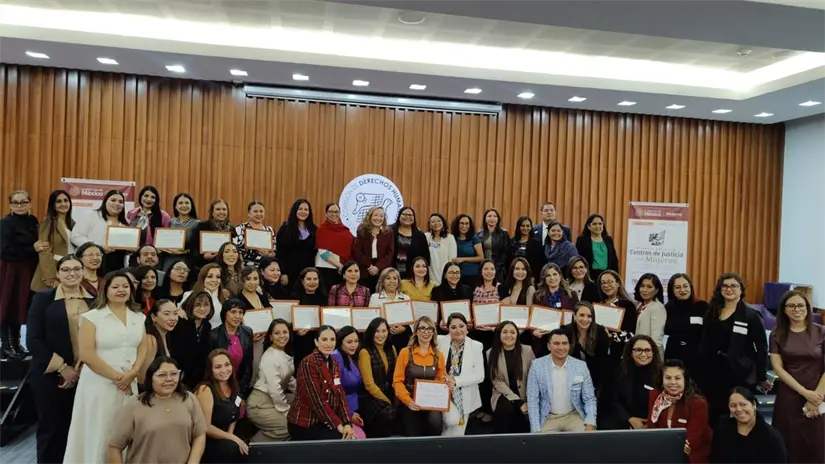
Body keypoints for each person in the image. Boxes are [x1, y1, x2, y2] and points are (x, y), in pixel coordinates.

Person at [63, 270, 149, 464]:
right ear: (106, 290)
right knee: (100, 429)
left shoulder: (138, 316)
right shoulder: (92, 317)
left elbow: (142, 347)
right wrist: (118, 377)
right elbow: (86, 354)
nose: (121, 290)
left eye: (125, 286)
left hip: (129, 381)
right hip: (99, 383)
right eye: (116, 286)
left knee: (125, 429)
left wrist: (133, 372)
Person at [26, 255, 93, 464]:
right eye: (65, 269)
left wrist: (81, 368)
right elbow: (33, 339)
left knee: (82, 429)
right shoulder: (43, 298)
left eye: (76, 269)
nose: (72, 273)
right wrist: (63, 368)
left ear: (83, 271)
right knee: (51, 430)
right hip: (50, 375)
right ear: (57, 273)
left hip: (88, 374)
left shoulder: (94, 299)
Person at [107, 357, 206, 464]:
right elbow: (114, 447)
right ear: (151, 378)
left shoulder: (188, 399)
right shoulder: (136, 405)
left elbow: (199, 434)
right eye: (162, 375)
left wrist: (193, 461)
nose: (169, 379)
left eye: (174, 374)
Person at [698, 273, 767, 427]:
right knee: (714, 412)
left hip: (738, 371)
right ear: (720, 289)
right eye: (725, 286)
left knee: (737, 412)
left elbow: (761, 347)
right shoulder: (713, 311)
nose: (729, 289)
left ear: (741, 289)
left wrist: (760, 375)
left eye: (734, 286)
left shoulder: (750, 315)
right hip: (713, 371)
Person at [769, 290, 825, 464]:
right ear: (784, 310)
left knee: (816, 443)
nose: (796, 309)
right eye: (791, 305)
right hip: (789, 396)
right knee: (789, 443)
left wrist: (816, 396)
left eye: (801, 305)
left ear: (808, 309)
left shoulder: (822, 332)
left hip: (819, 393)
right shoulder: (777, 334)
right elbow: (778, 368)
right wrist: (805, 393)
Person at [288, 325, 354, 440]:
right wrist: (338, 425)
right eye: (324, 339)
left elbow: (340, 394)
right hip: (306, 423)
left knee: (349, 436)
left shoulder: (334, 362)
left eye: (332, 340)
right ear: (316, 342)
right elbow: (316, 400)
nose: (329, 344)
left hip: (324, 420)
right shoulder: (308, 363)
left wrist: (347, 423)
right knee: (340, 439)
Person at [526, 329, 597, 433]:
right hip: (548, 418)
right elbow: (533, 400)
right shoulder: (537, 366)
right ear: (549, 346)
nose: (561, 347)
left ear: (569, 346)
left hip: (573, 415)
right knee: (541, 447)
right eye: (556, 343)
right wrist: (536, 429)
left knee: (587, 443)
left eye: (564, 343)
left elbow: (589, 398)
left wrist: (590, 423)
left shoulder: (580, 366)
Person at [646, 359, 713, 464]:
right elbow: (652, 427)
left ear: (684, 380)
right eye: (668, 378)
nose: (673, 382)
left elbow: (692, 439)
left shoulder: (698, 403)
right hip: (662, 450)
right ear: (662, 380)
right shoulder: (654, 395)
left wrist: (672, 448)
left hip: (691, 455)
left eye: (677, 378)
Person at [0, 190, 39, 358]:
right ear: (10, 205)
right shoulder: (5, 223)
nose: (20, 205)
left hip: (28, 269)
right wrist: (32, 249)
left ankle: (16, 344)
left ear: (29, 203)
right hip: (11, 270)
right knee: (9, 305)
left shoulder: (33, 221)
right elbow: (4, 250)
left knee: (21, 307)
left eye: (23, 202)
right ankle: (7, 345)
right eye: (15, 202)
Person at [393, 316, 447, 436]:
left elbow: (440, 380)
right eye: (422, 328)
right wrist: (408, 401)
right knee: (413, 431)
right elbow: (397, 381)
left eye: (429, 329)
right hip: (410, 400)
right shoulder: (405, 352)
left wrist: (446, 384)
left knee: (435, 422)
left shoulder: (439, 355)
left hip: (431, 401)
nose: (426, 332)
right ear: (416, 331)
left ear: (433, 332)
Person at [194, 349, 249, 463]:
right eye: (218, 367)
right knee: (233, 448)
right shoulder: (205, 390)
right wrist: (232, 438)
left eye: (227, 365)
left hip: (225, 436)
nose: (224, 370)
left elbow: (235, 412)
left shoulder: (233, 385)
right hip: (207, 440)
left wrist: (230, 435)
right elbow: (206, 427)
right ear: (210, 370)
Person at [247, 318, 295, 442]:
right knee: (288, 426)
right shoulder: (269, 356)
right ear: (270, 337)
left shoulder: (284, 353)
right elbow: (275, 390)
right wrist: (286, 411)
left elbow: (290, 380)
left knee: (302, 403)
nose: (282, 336)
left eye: (285, 332)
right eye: (277, 333)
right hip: (260, 403)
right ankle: (252, 447)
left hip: (275, 398)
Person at [710, 387, 787, 464]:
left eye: (743, 404)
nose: (738, 409)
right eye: (733, 405)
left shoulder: (771, 436)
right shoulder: (723, 429)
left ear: (754, 405)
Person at [602, 335, 662, 430]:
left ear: (653, 352)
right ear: (631, 352)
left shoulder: (661, 373)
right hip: (625, 418)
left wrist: (649, 422)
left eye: (647, 350)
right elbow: (613, 399)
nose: (643, 354)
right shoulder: (620, 371)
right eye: (638, 350)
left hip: (652, 420)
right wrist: (629, 419)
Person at [438, 313, 484, 436]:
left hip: (464, 394)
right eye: (453, 327)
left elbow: (480, 376)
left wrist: (455, 380)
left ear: (467, 327)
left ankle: (447, 452)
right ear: (448, 329)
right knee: (451, 420)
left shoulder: (476, 346)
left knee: (458, 432)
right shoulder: (439, 341)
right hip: (443, 391)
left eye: (461, 326)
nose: (458, 330)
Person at [488, 320, 535, 434]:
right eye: (505, 332)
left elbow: (534, 375)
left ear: (517, 335)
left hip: (526, 393)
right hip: (503, 394)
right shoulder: (491, 353)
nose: (509, 335)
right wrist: (518, 401)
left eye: (512, 332)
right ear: (499, 334)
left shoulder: (527, 350)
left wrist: (530, 400)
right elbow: (497, 381)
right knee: (506, 410)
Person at [71, 189, 133, 272]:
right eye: (113, 200)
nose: (117, 204)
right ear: (105, 202)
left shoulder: (126, 223)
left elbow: (124, 249)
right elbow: (76, 236)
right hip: (94, 263)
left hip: (118, 266)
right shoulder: (91, 216)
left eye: (121, 202)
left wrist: (129, 250)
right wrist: (99, 247)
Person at [665, 273, 709, 383]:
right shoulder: (667, 308)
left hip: (697, 358)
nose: (682, 290)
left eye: (685, 286)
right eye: (677, 287)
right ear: (672, 290)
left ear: (690, 287)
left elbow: (709, 332)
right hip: (674, 355)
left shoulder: (702, 306)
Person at [357, 317, 398, 438]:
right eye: (377, 331)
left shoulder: (392, 349)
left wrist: (396, 399)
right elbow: (369, 385)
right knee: (388, 414)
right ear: (371, 332)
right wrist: (388, 401)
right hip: (371, 398)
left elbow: (396, 376)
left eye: (384, 331)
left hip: (390, 393)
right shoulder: (364, 352)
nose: (381, 335)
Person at [210, 298, 256, 397]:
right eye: (233, 312)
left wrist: (242, 393)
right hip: (219, 386)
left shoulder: (248, 332)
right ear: (225, 313)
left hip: (239, 385)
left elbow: (248, 366)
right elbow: (210, 367)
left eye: (240, 312)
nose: (237, 316)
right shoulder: (213, 335)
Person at [31, 190, 75, 292]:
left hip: (69, 270)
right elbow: (44, 251)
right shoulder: (48, 222)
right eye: (58, 201)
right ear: (53, 205)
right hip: (53, 272)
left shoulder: (72, 223)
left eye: (66, 200)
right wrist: (50, 276)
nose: (63, 204)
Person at [563, 301, 610, 396]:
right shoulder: (565, 331)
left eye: (589, 316)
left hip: (593, 380)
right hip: (569, 381)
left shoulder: (600, 332)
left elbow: (602, 363)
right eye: (582, 315)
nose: (585, 319)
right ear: (574, 315)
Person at [331, 326, 367, 438]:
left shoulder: (350, 356)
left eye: (356, 341)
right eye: (349, 342)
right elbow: (335, 392)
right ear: (340, 342)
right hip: (342, 412)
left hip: (354, 408)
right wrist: (349, 414)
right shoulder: (336, 357)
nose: (353, 345)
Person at [175, 291, 215, 389]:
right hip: (179, 378)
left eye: (206, 305)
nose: (202, 308)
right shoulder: (180, 324)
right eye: (197, 305)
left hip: (200, 380)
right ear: (190, 305)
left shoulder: (207, 326)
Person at [290, 267, 327, 369]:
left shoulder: (324, 298)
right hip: (300, 340)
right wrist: (296, 332)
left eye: (315, 279)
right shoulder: (294, 298)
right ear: (302, 281)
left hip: (318, 340)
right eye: (309, 279)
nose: (312, 282)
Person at [276, 199, 317, 288]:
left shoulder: (314, 230)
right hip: (289, 275)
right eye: (300, 209)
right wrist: (283, 273)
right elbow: (280, 253)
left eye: (306, 210)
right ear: (295, 210)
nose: (303, 212)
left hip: (308, 276)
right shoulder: (285, 229)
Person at [369, 267, 411, 353]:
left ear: (398, 281)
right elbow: (372, 321)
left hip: (403, 339)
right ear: (382, 281)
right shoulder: (375, 297)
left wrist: (403, 329)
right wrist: (387, 328)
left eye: (395, 278)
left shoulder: (406, 298)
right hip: (382, 338)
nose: (392, 281)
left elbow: (412, 323)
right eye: (388, 278)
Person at [352, 206, 394, 292]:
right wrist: (369, 266)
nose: (378, 218)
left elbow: (390, 253)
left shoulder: (388, 232)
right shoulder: (362, 230)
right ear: (370, 216)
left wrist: (377, 267)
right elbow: (357, 252)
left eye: (381, 216)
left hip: (382, 270)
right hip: (365, 269)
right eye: (375, 215)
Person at [190, 199, 235, 271]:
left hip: (225, 269)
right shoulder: (202, 226)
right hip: (205, 268)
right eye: (218, 209)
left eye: (224, 209)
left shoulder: (232, 230)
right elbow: (193, 248)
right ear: (212, 212)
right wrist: (203, 256)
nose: (221, 212)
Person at [314, 202, 353, 287]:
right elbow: (323, 253)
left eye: (336, 212)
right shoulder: (322, 229)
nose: (334, 214)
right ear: (326, 214)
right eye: (331, 211)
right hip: (326, 269)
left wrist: (344, 267)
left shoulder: (345, 230)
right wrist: (339, 266)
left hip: (342, 270)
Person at [181, 263, 230, 327]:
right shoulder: (189, 295)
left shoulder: (225, 298)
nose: (214, 280)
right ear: (202, 278)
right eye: (210, 276)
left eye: (218, 277)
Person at [160, 192, 199, 272]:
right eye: (180, 203)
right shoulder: (170, 222)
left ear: (191, 206)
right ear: (176, 207)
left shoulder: (197, 224)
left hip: (186, 261)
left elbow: (197, 248)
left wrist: (183, 251)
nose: (184, 205)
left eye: (187, 203)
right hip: (168, 260)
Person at [574, 214, 619, 281]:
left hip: (607, 275)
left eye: (600, 224)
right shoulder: (582, 240)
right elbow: (579, 259)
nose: (597, 226)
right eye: (594, 224)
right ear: (589, 226)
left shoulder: (608, 240)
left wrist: (616, 277)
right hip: (589, 276)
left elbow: (614, 260)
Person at [431, 263, 473, 332]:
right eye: (451, 273)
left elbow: (471, 312)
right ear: (445, 275)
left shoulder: (468, 290)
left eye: (457, 273)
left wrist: (471, 322)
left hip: (464, 331)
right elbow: (435, 314)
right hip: (444, 331)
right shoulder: (436, 291)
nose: (454, 275)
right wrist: (439, 324)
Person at [232, 200, 276, 267]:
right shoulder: (240, 229)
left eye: (261, 211)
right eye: (255, 211)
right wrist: (241, 267)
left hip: (265, 268)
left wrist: (268, 254)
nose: (259, 214)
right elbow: (235, 250)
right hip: (244, 267)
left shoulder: (270, 230)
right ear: (249, 214)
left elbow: (274, 252)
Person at [634, 273, 667, 357]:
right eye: (642, 286)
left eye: (649, 287)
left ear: (656, 290)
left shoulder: (658, 308)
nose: (644, 290)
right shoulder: (639, 305)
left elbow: (656, 338)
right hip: (639, 351)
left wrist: (649, 355)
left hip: (651, 354)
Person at [392, 206, 430, 280]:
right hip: (392, 273)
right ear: (399, 216)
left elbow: (425, 257)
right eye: (404, 214)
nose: (407, 217)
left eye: (410, 215)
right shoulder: (391, 232)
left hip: (412, 275)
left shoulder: (419, 235)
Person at [451, 214, 483, 288]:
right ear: (457, 224)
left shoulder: (474, 238)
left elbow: (481, 257)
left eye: (467, 223)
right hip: (455, 275)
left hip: (472, 275)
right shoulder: (452, 238)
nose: (464, 226)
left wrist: (462, 259)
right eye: (461, 223)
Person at [477, 208, 509, 280]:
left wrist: (496, 266)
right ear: (485, 219)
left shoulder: (504, 233)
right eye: (489, 216)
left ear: (498, 219)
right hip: (483, 267)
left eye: (495, 216)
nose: (492, 218)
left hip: (498, 268)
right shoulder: (479, 233)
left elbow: (505, 252)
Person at [425, 213, 457, 285]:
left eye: (439, 221)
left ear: (443, 223)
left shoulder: (450, 238)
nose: (436, 223)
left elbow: (452, 259)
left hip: (444, 272)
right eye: (433, 222)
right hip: (430, 272)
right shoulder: (426, 237)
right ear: (430, 225)